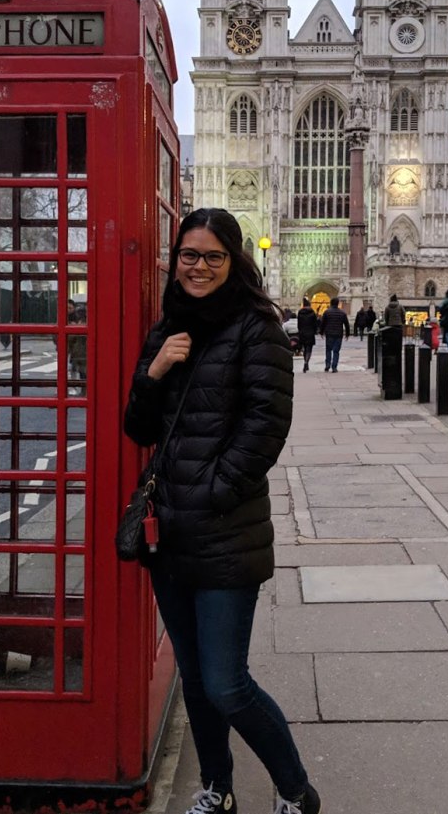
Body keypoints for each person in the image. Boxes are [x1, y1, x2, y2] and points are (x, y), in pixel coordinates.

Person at [124, 208, 320, 814]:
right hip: (169, 536)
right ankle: (218, 788)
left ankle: (296, 792)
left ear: (234, 261)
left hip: (226, 533)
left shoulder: (257, 327)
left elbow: (268, 426)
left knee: (228, 684)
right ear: (175, 259)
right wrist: (154, 372)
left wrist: (213, 491)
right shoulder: (169, 329)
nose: (199, 267)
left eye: (212, 256)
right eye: (189, 255)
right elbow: (138, 427)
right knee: (196, 680)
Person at [319, 297, 350, 372]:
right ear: (338, 303)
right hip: (338, 334)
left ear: (331, 303)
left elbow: (323, 323)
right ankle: (334, 366)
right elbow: (346, 324)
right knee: (336, 351)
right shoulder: (342, 313)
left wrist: (321, 332)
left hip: (329, 333)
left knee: (328, 350)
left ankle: (327, 364)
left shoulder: (327, 312)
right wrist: (347, 334)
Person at [296, 296, 319, 372]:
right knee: (309, 349)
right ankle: (306, 362)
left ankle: (305, 362)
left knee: (304, 348)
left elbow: (298, 324)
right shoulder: (312, 312)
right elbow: (315, 324)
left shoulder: (300, 312)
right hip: (310, 333)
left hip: (302, 332)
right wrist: (315, 331)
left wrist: (300, 331)